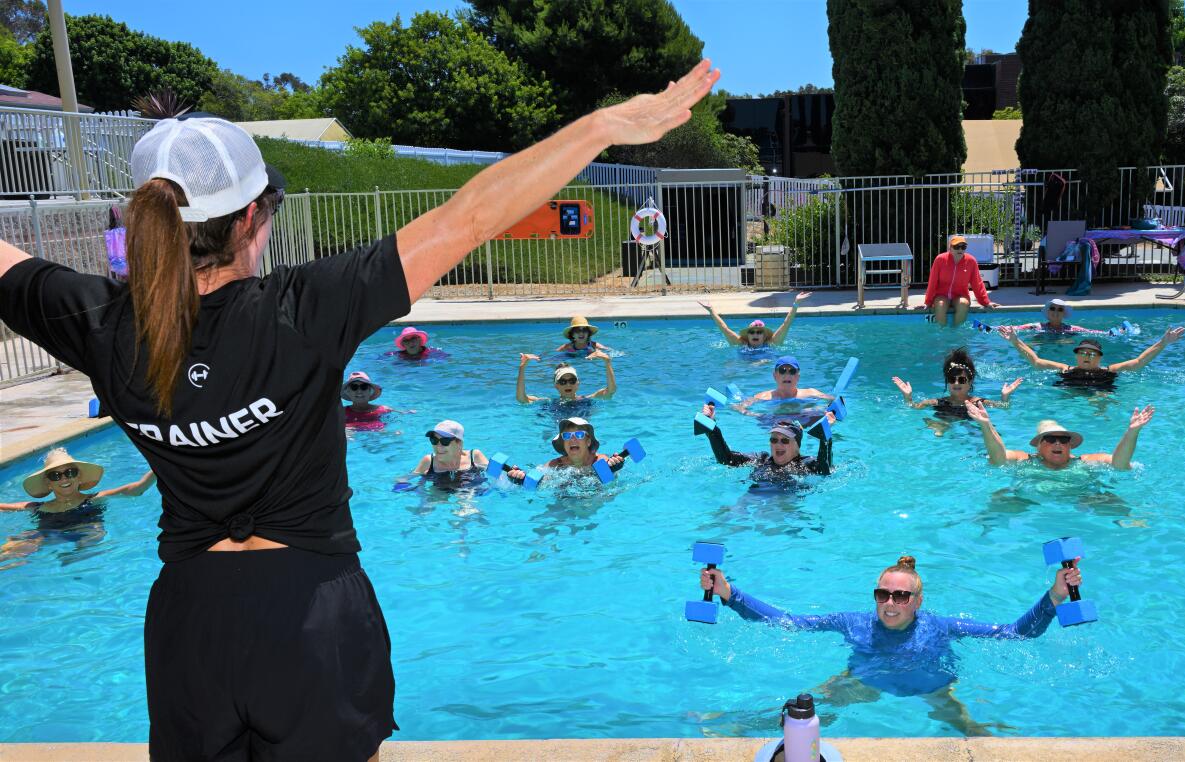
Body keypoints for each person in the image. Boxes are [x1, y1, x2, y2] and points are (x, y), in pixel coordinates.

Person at [0, 58, 720, 760]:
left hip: (190, 624)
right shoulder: (302, 309)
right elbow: (467, 218)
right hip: (312, 613)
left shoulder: (97, 321)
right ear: (254, 215)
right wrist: (600, 127)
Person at [701, 554, 1080, 736]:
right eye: (883, 594)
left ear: (918, 601)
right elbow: (788, 624)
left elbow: (1016, 633)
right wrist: (730, 594)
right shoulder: (852, 623)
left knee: (970, 729)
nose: (890, 602)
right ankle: (741, 726)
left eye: (901, 596)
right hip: (866, 681)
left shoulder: (943, 627)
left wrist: (1055, 597)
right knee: (807, 713)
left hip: (933, 687)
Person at [1, 448, 156, 567]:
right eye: (56, 475)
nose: (64, 478)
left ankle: (78, 554)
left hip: (84, 531)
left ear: (79, 476)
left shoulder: (94, 499)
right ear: (48, 483)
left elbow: (136, 489)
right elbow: (5, 507)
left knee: (94, 531)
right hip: (50, 534)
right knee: (19, 542)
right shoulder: (38, 507)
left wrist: (161, 466)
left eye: (70, 472)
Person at [965, 402, 1153, 470]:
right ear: (1038, 445)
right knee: (1001, 501)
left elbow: (1119, 464)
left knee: (1112, 504)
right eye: (1050, 439)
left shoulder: (1083, 461)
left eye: (1063, 439)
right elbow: (999, 458)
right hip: (1032, 502)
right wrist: (986, 425)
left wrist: (1132, 432)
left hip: (1080, 500)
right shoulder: (1026, 460)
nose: (1058, 443)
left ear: (1070, 445)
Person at [997, 325, 1185, 389]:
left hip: (1101, 392)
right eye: (1083, 353)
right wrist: (1015, 341)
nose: (1086, 356)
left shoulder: (1109, 371)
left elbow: (1138, 362)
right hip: (1071, 393)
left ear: (1099, 358)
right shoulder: (1065, 369)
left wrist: (1163, 343)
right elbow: (1036, 361)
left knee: (1101, 399)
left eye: (1091, 354)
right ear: (1077, 356)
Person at [696, 403, 835, 488]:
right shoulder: (761, 459)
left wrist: (826, 434)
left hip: (786, 504)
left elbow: (825, 470)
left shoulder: (807, 463)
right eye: (774, 440)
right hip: (754, 498)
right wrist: (712, 428)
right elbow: (726, 459)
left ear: (797, 444)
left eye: (785, 440)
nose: (778, 444)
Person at [892, 348, 1021, 430]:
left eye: (962, 379)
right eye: (952, 380)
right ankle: (940, 426)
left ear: (970, 382)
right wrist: (907, 396)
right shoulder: (936, 402)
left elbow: (1004, 407)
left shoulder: (978, 403)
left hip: (970, 426)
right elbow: (913, 407)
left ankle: (941, 427)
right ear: (947, 382)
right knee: (930, 420)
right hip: (945, 421)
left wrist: (1005, 397)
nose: (956, 383)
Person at [401, 420, 518, 491]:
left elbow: (496, 474)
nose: (438, 446)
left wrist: (512, 474)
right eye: (434, 440)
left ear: (459, 443)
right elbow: (405, 479)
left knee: (466, 503)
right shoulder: (429, 461)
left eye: (445, 441)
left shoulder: (474, 456)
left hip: (469, 488)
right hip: (441, 487)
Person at [506, 417, 624, 480]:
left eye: (579, 435)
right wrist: (520, 477)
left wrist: (613, 470)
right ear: (563, 443)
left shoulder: (599, 461)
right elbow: (535, 479)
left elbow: (609, 486)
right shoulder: (556, 464)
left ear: (588, 441)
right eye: (567, 436)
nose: (573, 439)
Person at [920, 235, 999, 326]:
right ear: (950, 248)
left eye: (963, 247)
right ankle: (942, 334)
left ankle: (956, 332)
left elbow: (977, 283)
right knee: (940, 305)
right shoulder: (940, 259)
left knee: (963, 304)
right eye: (957, 247)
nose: (960, 250)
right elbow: (932, 282)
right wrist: (928, 302)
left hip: (960, 295)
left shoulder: (971, 261)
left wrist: (986, 302)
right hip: (941, 295)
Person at [698, 292, 811, 349]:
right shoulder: (741, 344)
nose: (755, 334)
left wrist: (796, 303)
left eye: (759, 332)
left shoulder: (772, 343)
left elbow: (786, 324)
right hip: (744, 370)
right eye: (752, 332)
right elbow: (724, 328)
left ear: (764, 335)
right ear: (747, 335)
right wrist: (711, 310)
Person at [734, 355, 832, 420]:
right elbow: (738, 407)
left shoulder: (811, 393)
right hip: (775, 422)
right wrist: (757, 415)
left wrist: (820, 409)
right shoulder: (764, 397)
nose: (787, 375)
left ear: (798, 376)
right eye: (782, 370)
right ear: (775, 376)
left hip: (804, 419)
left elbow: (835, 401)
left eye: (792, 371)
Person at [516, 352, 616, 403]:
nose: (568, 384)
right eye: (563, 381)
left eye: (572, 381)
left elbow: (610, 390)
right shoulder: (550, 402)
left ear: (578, 383)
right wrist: (522, 367)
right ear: (556, 385)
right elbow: (521, 399)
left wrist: (607, 362)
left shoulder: (586, 400)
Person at [341, 371, 412, 431]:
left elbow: (400, 415)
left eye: (364, 387)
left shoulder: (382, 409)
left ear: (370, 391)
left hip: (377, 433)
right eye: (354, 387)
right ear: (348, 392)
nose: (359, 391)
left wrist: (407, 412)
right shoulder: (342, 412)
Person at [1007, 299, 1108, 335]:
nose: (1055, 312)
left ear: (1064, 313)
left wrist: (1111, 333)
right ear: (1047, 311)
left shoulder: (1072, 329)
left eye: (1060, 309)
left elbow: (1092, 332)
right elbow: (1016, 328)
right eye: (1052, 308)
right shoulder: (1036, 327)